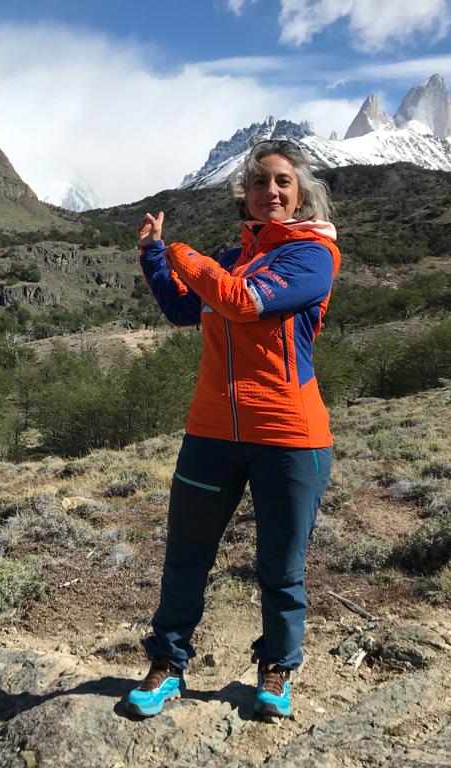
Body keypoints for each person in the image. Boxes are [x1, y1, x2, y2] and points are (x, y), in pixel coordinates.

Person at [124, 140, 340, 719]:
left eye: (283, 182)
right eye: (259, 182)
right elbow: (183, 308)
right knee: (186, 555)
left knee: (281, 565)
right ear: (244, 195)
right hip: (212, 429)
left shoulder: (312, 256)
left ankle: (277, 667)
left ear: (300, 195)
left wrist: (185, 256)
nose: (271, 190)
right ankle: (167, 664)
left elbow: (241, 303)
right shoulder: (232, 256)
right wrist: (153, 254)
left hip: (289, 434)